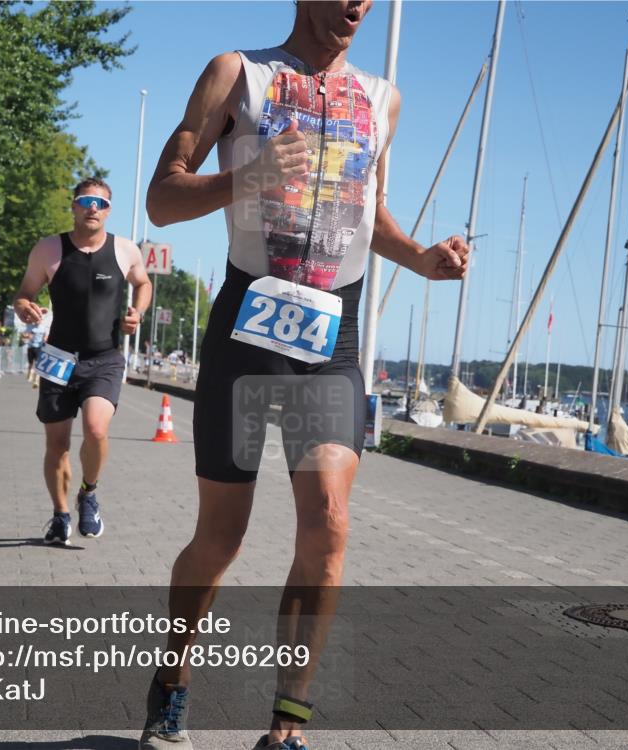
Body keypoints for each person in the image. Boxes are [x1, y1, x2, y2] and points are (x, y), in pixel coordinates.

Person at [140, 2, 470, 749]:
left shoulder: (383, 98)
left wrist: (422, 258)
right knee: (219, 539)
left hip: (334, 334)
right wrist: (248, 177)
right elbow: (161, 201)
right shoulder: (238, 73)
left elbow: (371, 213)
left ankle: (287, 728)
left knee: (328, 522)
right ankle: (172, 681)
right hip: (247, 326)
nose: (357, 5)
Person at [13, 177, 152, 545]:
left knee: (96, 429)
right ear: (74, 206)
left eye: (102, 203)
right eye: (87, 201)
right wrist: (25, 308)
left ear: (109, 211)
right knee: (56, 445)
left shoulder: (124, 250)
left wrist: (136, 312)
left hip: (103, 358)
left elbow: (144, 283)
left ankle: (89, 494)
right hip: (59, 357)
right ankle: (60, 515)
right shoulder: (48, 250)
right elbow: (24, 295)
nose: (94, 208)